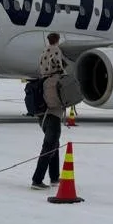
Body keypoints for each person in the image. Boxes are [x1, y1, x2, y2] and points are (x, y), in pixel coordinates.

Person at [31, 32, 68, 189]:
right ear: (57, 40)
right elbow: (60, 64)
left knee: (54, 143)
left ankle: (54, 177)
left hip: (42, 113)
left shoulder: (43, 52)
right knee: (49, 144)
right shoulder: (56, 52)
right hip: (51, 114)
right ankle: (37, 180)